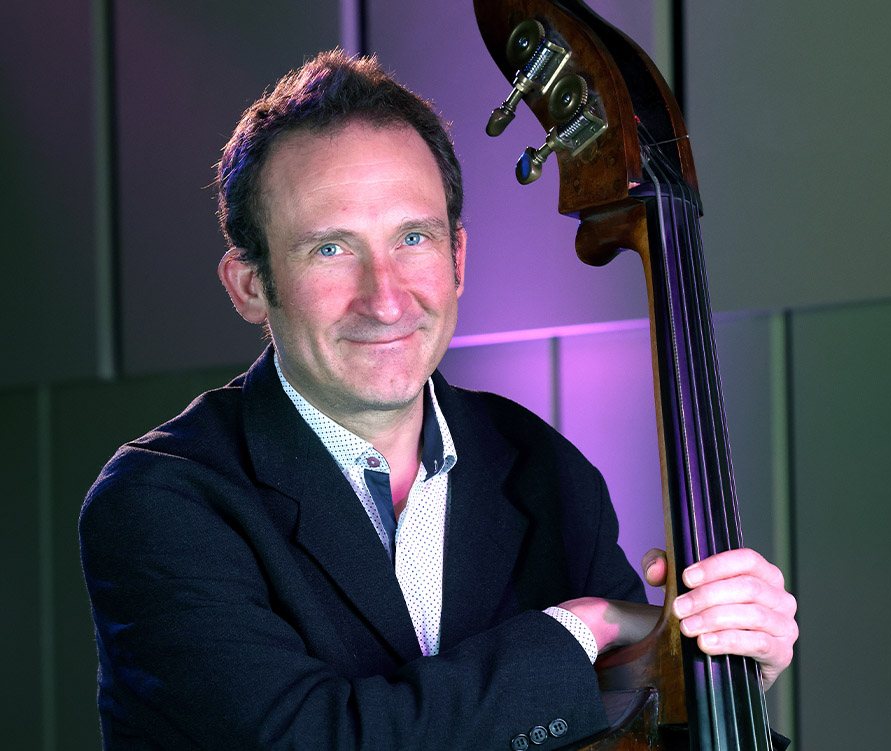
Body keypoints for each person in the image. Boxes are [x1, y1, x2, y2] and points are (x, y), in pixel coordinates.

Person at [80, 50, 797, 750]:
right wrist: (584, 625)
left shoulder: (542, 467)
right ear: (249, 286)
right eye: (330, 249)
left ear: (457, 258)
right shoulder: (162, 502)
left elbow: (621, 729)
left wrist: (712, 676)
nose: (385, 299)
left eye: (413, 238)